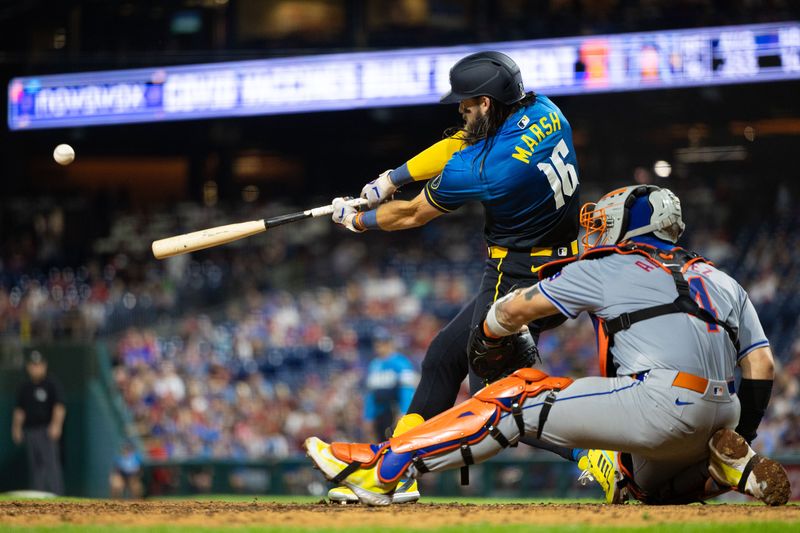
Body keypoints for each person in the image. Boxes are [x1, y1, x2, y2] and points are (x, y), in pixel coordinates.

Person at [306, 185, 791, 507]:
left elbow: (514, 310)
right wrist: (742, 431)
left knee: (518, 396)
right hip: (721, 412)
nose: (597, 229)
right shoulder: (723, 279)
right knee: (640, 484)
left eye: (606, 221)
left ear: (631, 227)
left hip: (660, 403)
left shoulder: (608, 265)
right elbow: (761, 364)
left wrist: (492, 332)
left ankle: (385, 471)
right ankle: (728, 466)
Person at [328, 51, 583, 502]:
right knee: (445, 356)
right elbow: (462, 142)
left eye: (466, 105)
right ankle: (394, 466)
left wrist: (356, 220)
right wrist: (390, 179)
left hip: (517, 276)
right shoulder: (546, 110)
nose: (461, 112)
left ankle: (599, 457)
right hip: (563, 263)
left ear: (485, 103)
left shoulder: (485, 170)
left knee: (496, 403)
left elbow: (410, 214)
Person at [12, 350, 66, 495]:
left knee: (51, 465)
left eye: (38, 365)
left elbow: (59, 406)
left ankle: (57, 496)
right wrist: (16, 429)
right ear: (29, 367)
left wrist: (56, 425)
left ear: (44, 366)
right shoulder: (24, 387)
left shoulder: (51, 384)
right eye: (33, 365)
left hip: (46, 430)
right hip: (30, 430)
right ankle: (38, 497)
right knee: (36, 466)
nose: (36, 368)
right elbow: (20, 410)